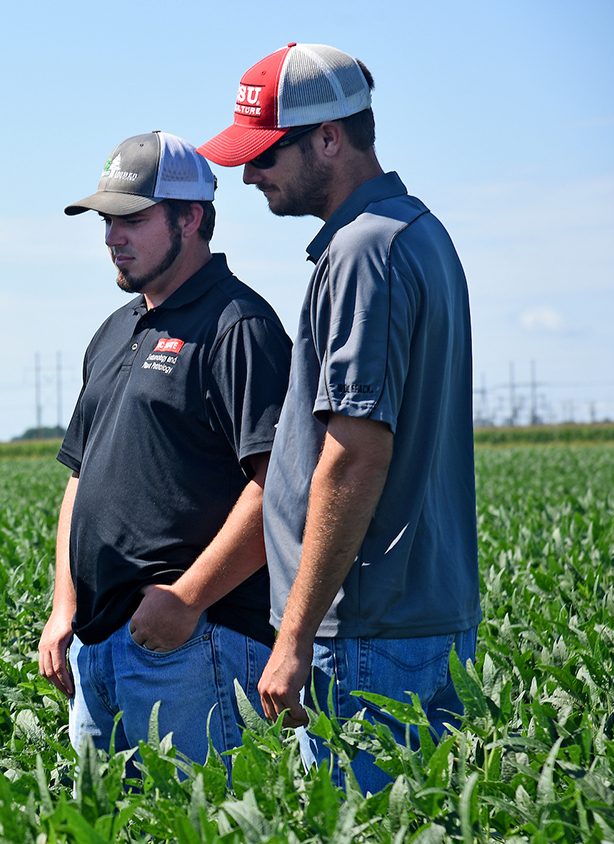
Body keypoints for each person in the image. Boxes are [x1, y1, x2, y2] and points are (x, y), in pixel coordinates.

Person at [197, 43, 479, 792]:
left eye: (265, 156)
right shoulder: (415, 233)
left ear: (329, 137)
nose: (251, 176)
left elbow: (355, 455)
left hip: (363, 634)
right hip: (411, 622)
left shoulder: (364, 252)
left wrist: (291, 638)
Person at [37, 132, 292, 770]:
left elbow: (280, 487)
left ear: (191, 218)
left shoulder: (239, 327)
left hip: (192, 645)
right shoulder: (117, 329)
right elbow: (81, 478)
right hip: (98, 646)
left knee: (194, 822)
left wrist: (186, 600)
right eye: (106, 220)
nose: (112, 236)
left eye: (133, 219)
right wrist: (65, 604)